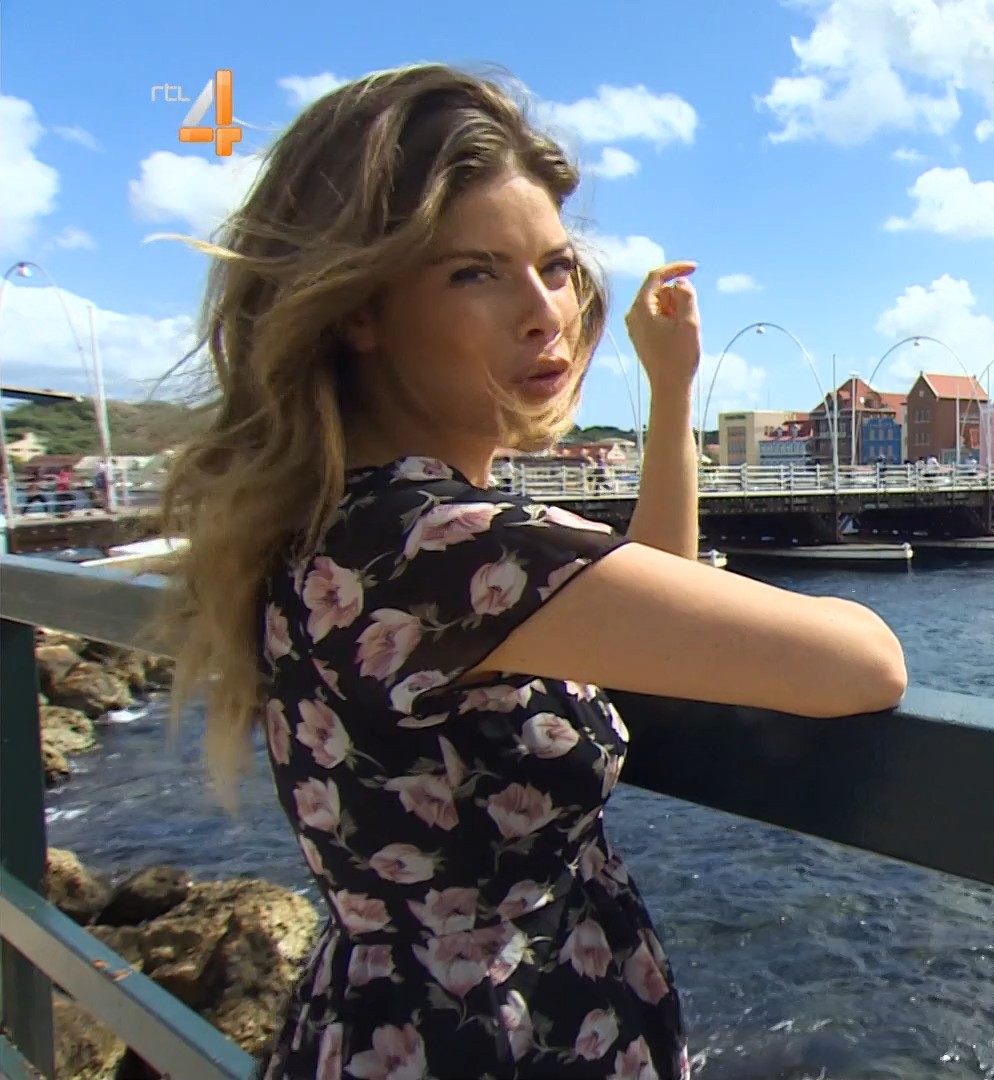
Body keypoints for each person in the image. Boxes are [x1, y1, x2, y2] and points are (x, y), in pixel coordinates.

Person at [153, 64, 908, 1080]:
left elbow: (649, 619)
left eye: (555, 267)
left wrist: (670, 392)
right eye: (476, 273)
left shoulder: (329, 524)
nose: (545, 312)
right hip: (500, 1042)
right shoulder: (453, 545)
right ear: (359, 309)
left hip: (374, 1024)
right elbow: (864, 663)